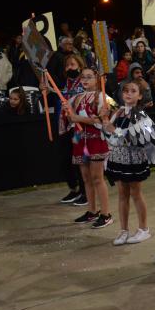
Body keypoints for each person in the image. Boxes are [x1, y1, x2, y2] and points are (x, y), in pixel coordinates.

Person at [100, 80, 155, 246]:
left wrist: (114, 131)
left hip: (134, 159)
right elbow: (109, 135)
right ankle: (123, 230)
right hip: (118, 158)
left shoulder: (141, 115)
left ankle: (143, 229)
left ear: (140, 95)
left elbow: (136, 140)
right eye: (125, 91)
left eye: (133, 91)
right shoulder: (118, 111)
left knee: (136, 193)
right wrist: (105, 121)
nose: (128, 94)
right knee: (122, 194)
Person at [63, 67, 113, 228]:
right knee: (86, 179)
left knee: (98, 178)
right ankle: (92, 211)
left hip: (96, 141)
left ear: (96, 79)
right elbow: (70, 118)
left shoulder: (102, 97)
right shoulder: (76, 98)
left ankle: (105, 214)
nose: (85, 80)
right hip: (80, 141)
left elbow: (102, 122)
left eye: (89, 77)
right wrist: (67, 114)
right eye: (83, 77)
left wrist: (78, 118)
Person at [56, 54, 88, 206]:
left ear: (80, 66)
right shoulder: (65, 83)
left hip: (79, 127)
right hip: (65, 125)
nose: (69, 68)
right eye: (67, 65)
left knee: (79, 160)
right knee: (65, 159)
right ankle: (74, 189)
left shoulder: (84, 82)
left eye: (72, 65)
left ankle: (85, 191)